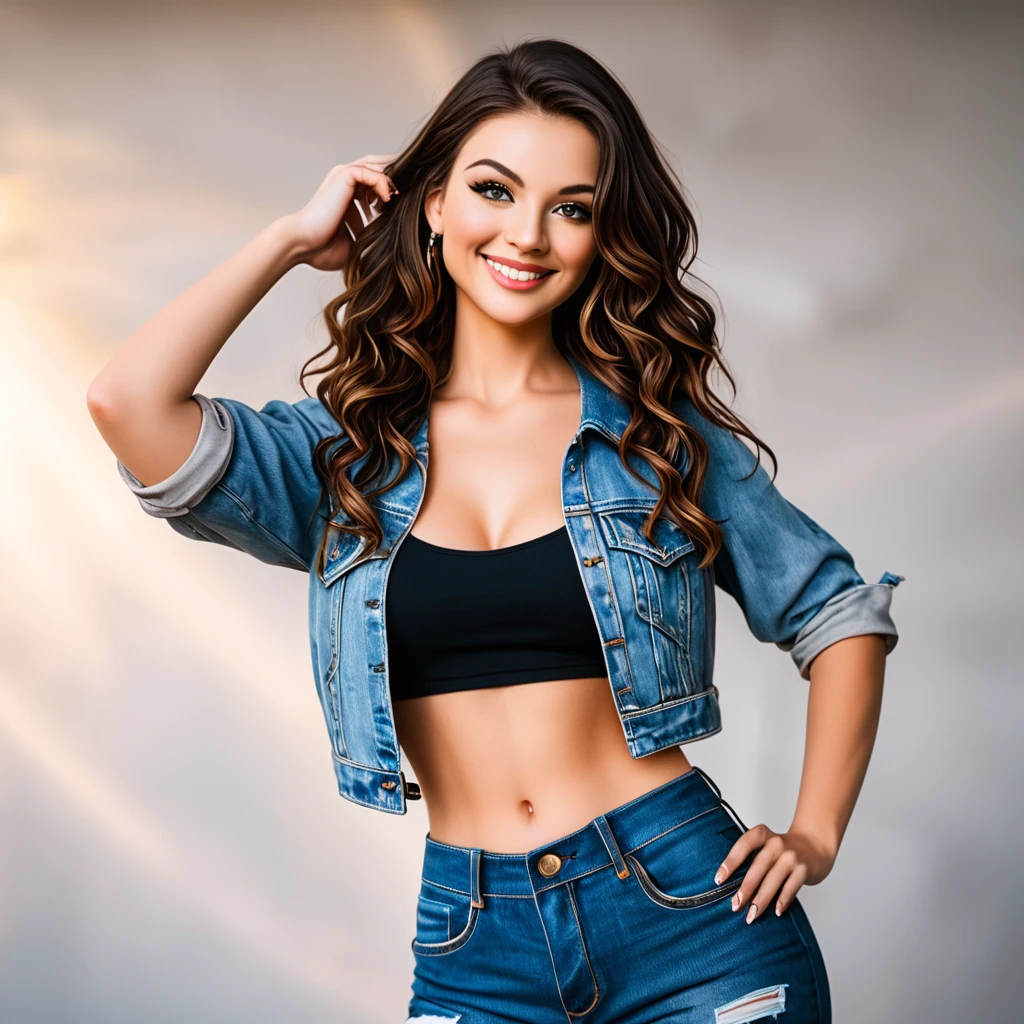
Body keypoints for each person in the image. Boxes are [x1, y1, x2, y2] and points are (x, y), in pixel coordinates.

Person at [88, 37, 902, 1024]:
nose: (527, 234)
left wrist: (814, 834)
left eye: (572, 208)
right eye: (493, 189)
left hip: (690, 917)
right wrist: (288, 241)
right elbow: (128, 403)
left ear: (602, 236)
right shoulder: (344, 458)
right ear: (431, 203)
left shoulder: (654, 435)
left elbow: (837, 610)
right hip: (475, 939)